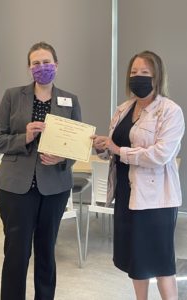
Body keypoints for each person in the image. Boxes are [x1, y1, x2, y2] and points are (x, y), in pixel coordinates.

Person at [0, 41, 81, 300]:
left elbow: (77, 146)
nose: (42, 67)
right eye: (36, 63)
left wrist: (63, 159)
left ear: (57, 65)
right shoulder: (12, 95)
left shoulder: (70, 100)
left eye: (47, 62)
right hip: (16, 187)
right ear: (29, 68)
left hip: (54, 187)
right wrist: (24, 137)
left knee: (46, 252)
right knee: (16, 253)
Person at [92, 50, 185, 300]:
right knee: (136, 259)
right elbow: (114, 148)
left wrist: (118, 149)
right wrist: (103, 147)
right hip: (126, 193)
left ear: (157, 76)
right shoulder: (123, 108)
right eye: (134, 72)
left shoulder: (170, 111)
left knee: (161, 260)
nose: (138, 77)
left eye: (145, 72)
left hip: (156, 199)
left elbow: (161, 155)